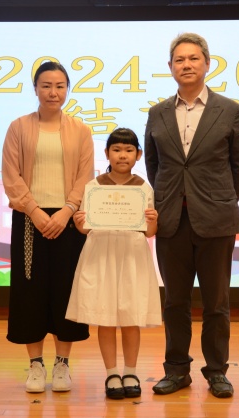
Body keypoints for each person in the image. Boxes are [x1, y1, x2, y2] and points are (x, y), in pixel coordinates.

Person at [144, 33, 239, 398]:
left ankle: (217, 371)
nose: (186, 65)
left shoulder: (229, 110)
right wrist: (170, 200)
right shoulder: (157, 112)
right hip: (172, 220)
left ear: (207, 64)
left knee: (216, 303)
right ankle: (176, 371)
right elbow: (154, 166)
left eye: (193, 58)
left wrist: (218, 201)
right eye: (179, 60)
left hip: (216, 221)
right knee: (175, 302)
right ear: (170, 67)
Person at [1, 61, 94, 394]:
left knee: (66, 291)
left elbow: (85, 177)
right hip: (30, 220)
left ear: (67, 89)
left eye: (59, 86)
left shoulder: (81, 130)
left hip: (68, 221)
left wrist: (67, 211)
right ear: (36, 89)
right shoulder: (18, 127)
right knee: (31, 292)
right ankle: (36, 365)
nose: (53, 92)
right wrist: (35, 211)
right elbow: (11, 175)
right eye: (46, 85)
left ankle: (62, 365)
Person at [65, 127, 162, 400]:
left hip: (132, 254)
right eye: (117, 150)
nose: (122, 155)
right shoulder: (93, 187)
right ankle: (111, 373)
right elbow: (86, 229)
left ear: (138, 155)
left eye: (128, 150)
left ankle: (130, 372)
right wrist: (79, 223)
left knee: (131, 317)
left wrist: (153, 220)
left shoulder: (144, 188)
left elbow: (150, 232)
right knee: (105, 317)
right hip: (101, 253)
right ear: (107, 153)